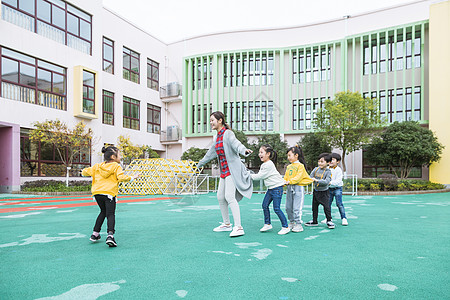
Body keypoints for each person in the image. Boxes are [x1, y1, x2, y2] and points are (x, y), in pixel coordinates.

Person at [197, 111, 253, 237]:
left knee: (229, 197)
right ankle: (227, 224)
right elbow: (210, 153)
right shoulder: (217, 137)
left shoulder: (228, 134)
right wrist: (199, 164)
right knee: (220, 197)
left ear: (220, 120)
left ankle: (238, 227)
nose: (211, 122)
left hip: (232, 170)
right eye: (210, 120)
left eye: (212, 120)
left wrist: (244, 150)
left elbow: (236, 144)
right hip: (224, 171)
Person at [82, 146, 139, 247]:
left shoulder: (97, 166)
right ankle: (110, 236)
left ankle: (95, 234)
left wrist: (83, 171)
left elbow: (85, 171)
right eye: (119, 154)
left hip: (97, 193)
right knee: (110, 214)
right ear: (113, 156)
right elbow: (121, 178)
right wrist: (132, 177)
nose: (120, 157)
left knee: (103, 212)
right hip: (108, 193)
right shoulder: (116, 166)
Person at [251, 144, 290, 235]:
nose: (259, 154)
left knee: (276, 208)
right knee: (265, 205)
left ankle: (285, 226)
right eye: (259, 152)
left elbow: (260, 176)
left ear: (268, 154)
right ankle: (267, 224)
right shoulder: (265, 164)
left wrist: (247, 176)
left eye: (261, 152)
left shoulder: (268, 164)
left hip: (276, 189)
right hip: (271, 189)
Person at [283, 145, 313, 233]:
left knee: (297, 207)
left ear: (296, 155)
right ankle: (291, 222)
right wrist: (283, 182)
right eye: (288, 156)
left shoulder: (300, 166)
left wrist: (290, 181)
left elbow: (298, 177)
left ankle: (298, 224)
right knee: (288, 207)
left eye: (290, 155)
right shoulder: (289, 166)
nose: (288, 157)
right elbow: (286, 177)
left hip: (298, 188)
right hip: (289, 188)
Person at [305, 153, 335, 229]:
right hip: (316, 191)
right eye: (319, 161)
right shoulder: (316, 169)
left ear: (328, 163)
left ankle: (329, 220)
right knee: (314, 207)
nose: (320, 163)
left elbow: (326, 182)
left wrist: (316, 180)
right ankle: (314, 221)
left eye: (322, 161)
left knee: (326, 207)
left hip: (324, 192)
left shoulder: (328, 171)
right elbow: (310, 177)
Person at [321, 152, 348, 226]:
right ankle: (328, 218)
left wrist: (329, 182)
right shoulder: (326, 169)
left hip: (337, 189)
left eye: (332, 160)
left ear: (338, 161)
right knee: (327, 204)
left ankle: (344, 218)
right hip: (329, 189)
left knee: (339, 204)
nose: (330, 161)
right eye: (329, 160)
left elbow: (338, 181)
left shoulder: (338, 170)